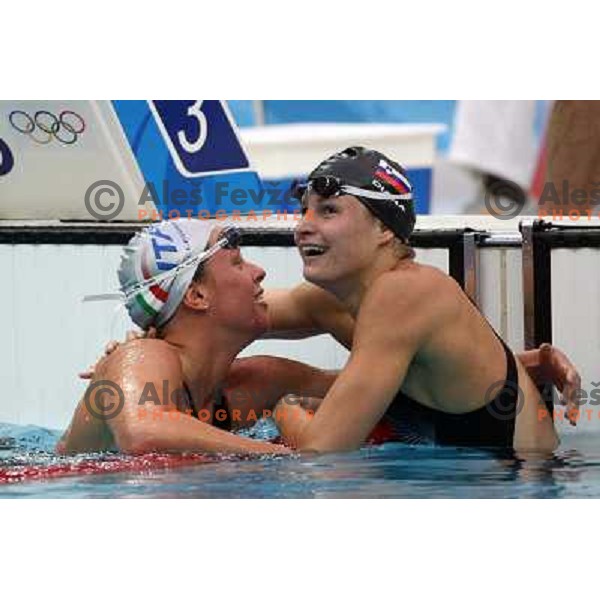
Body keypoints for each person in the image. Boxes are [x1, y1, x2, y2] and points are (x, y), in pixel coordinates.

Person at [259, 146, 562, 453]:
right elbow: (238, 313)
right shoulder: (336, 300)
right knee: (255, 377)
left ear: (383, 228)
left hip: (514, 486)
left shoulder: (406, 292)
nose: (303, 228)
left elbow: (320, 452)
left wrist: (284, 407)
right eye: (304, 211)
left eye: (328, 211)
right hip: (458, 479)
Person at [57, 220, 303, 455]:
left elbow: (341, 398)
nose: (259, 272)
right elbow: (142, 433)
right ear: (196, 296)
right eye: (237, 263)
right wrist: (277, 455)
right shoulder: (140, 356)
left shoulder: (253, 384)